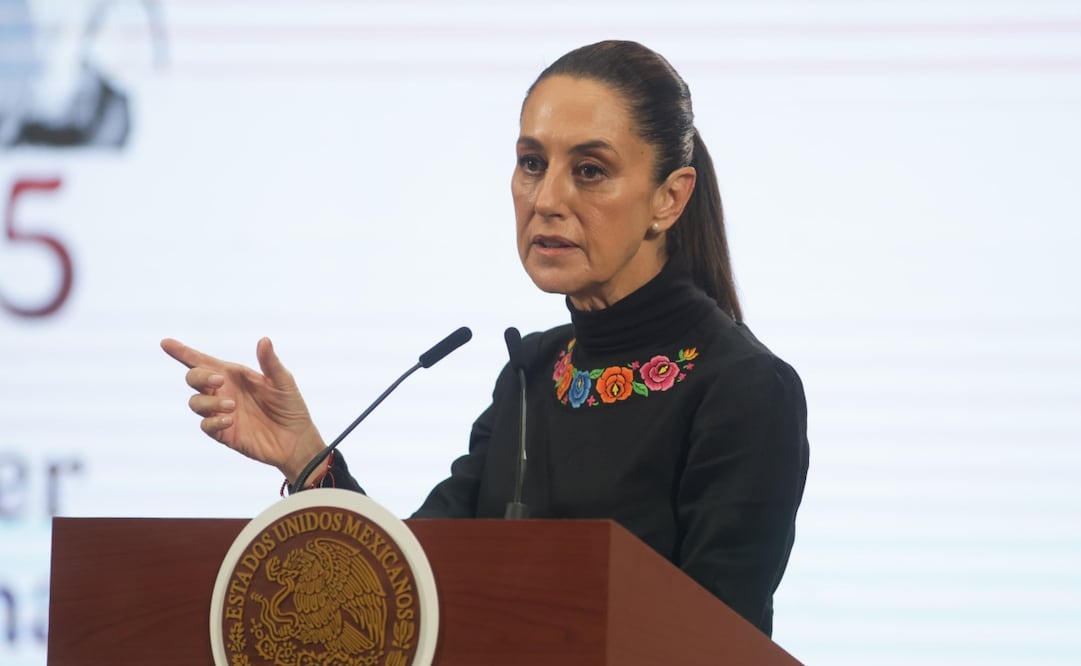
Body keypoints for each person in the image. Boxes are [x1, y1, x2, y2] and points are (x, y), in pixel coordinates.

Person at [162, 40, 809, 637]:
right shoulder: (532, 373)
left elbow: (719, 640)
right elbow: (414, 584)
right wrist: (306, 457)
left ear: (669, 199)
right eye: (532, 163)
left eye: (588, 170)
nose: (546, 198)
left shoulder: (743, 390)